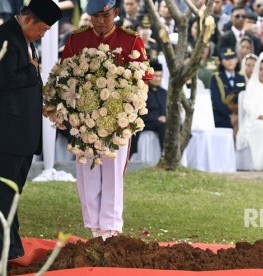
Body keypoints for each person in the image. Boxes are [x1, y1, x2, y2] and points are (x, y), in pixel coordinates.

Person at [61, 0, 151, 240]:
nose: (100, 21)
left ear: (116, 13)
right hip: (85, 120)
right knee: (86, 172)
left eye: (105, 15)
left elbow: (144, 78)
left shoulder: (131, 41)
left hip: (117, 121)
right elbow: (64, 74)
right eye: (95, 16)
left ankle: (110, 229)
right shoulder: (76, 40)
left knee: (112, 173)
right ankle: (93, 228)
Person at [0, 0, 62, 261]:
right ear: (29, 19)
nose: (42, 34)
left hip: (21, 134)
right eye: (42, 29)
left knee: (12, 196)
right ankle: (1, 250)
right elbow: (4, 79)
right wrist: (32, 70)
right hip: (5, 134)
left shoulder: (24, 38)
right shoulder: (4, 37)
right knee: (2, 196)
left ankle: (12, 246)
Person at [131, 62, 166, 157]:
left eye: (160, 76)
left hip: (161, 121)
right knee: (163, 126)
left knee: (179, 126)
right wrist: (157, 118)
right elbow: (140, 113)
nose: (158, 79)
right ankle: (165, 155)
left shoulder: (164, 92)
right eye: (156, 76)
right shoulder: (143, 92)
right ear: (149, 75)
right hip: (147, 121)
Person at [210, 47, 246, 137]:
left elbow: (244, 98)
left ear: (237, 60)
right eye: (226, 59)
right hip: (222, 117)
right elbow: (216, 100)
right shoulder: (216, 78)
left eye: (232, 58)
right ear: (222, 61)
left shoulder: (241, 77)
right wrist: (230, 115)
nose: (230, 62)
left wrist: (237, 115)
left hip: (239, 116)